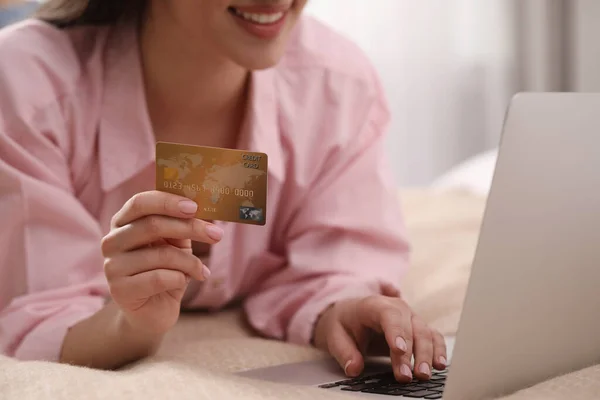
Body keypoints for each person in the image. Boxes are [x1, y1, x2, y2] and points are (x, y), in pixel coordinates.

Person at [0, 0, 447, 382]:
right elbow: (36, 315)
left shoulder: (336, 85)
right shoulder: (27, 83)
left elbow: (335, 266)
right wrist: (131, 325)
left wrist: (343, 310)